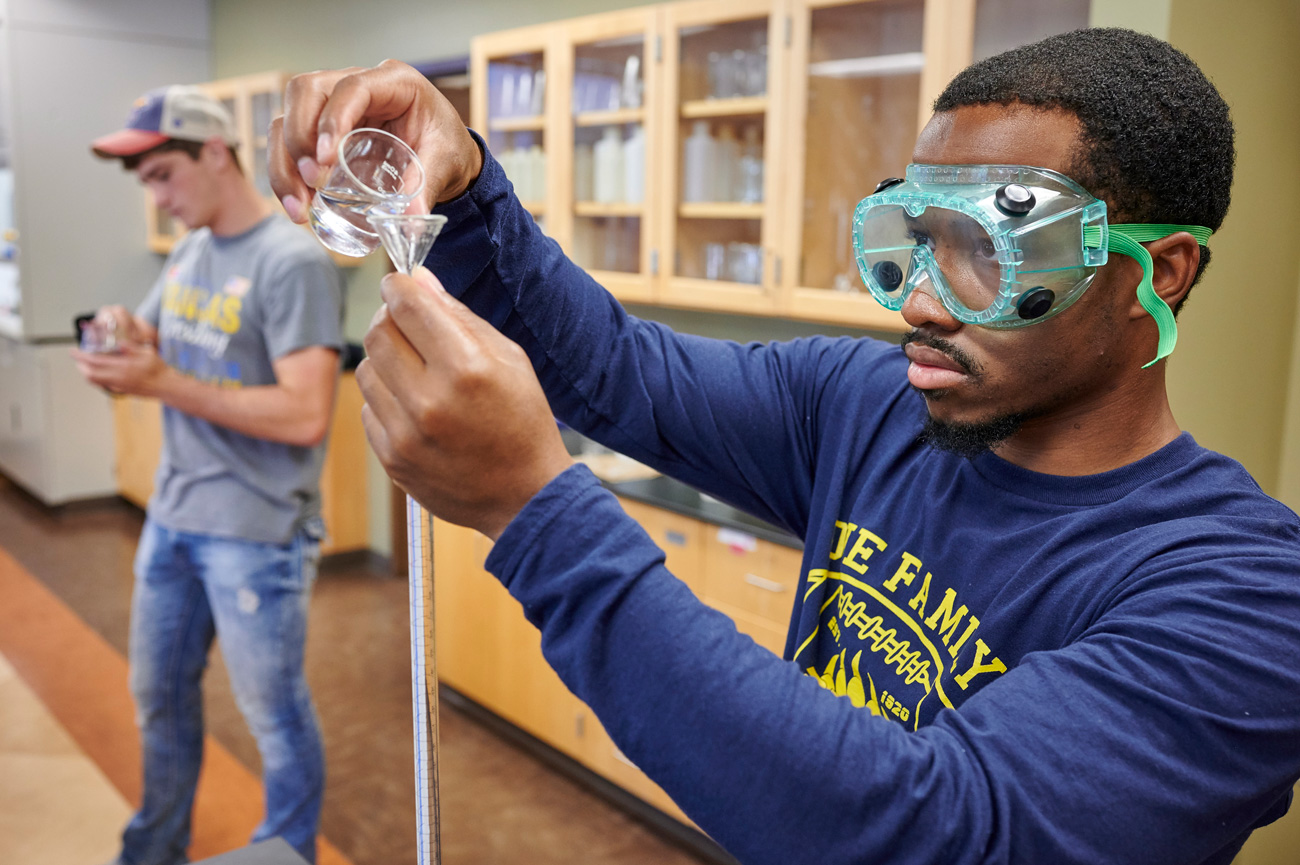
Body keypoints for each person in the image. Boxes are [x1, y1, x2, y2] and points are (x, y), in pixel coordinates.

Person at [270, 28, 1300, 865]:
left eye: (987, 248)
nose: (924, 304)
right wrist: (465, 185)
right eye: (912, 242)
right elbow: (616, 374)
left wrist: (539, 514)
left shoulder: (1245, 598)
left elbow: (935, 832)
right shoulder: (868, 406)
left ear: (1155, 273)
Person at [76, 85, 346, 865]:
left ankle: (288, 851)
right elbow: (154, 329)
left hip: (257, 532)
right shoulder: (194, 247)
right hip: (173, 518)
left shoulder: (291, 261)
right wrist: (120, 336)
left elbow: (304, 414)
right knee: (158, 700)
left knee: (275, 716)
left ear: (217, 155)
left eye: (163, 174)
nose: (157, 198)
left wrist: (158, 381)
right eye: (147, 183)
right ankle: (153, 850)